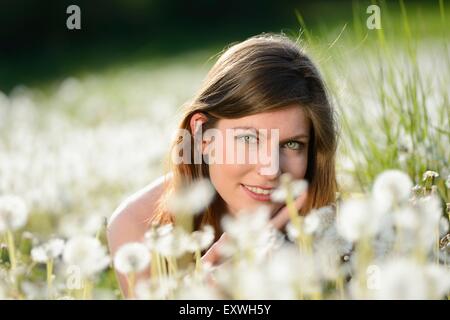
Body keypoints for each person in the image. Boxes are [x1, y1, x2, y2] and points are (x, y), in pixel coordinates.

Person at [107, 33, 338, 298]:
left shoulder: (334, 229)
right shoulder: (137, 226)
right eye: (249, 138)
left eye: (292, 144)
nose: (271, 169)